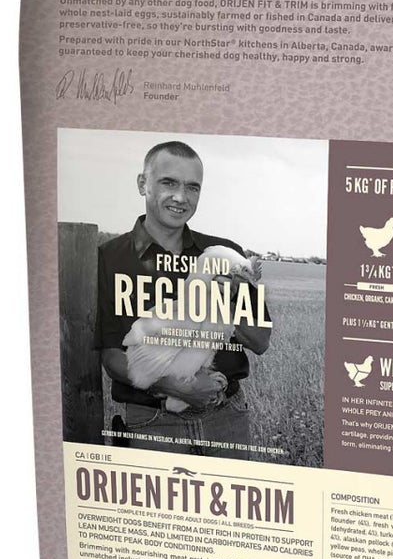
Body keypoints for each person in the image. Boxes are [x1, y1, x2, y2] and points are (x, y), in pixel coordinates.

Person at [95, 140, 272, 455]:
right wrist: (175, 386)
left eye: (192, 187)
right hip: (153, 422)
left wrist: (227, 299)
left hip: (225, 417)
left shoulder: (225, 255)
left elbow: (260, 341)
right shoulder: (110, 258)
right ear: (143, 184)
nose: (181, 197)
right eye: (169, 183)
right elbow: (111, 355)